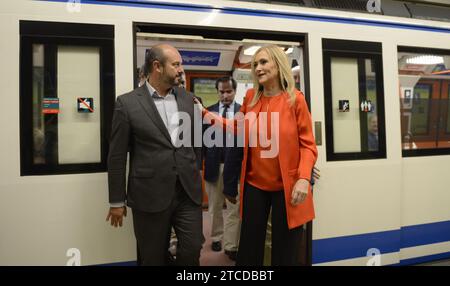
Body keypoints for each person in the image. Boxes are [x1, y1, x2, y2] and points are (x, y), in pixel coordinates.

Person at [195, 45, 318, 266]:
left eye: (263, 62)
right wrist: (205, 114)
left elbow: (308, 145)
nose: (258, 68)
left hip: (287, 188)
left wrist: (303, 178)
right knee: (249, 248)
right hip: (254, 186)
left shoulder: (295, 100)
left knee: (285, 248)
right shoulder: (251, 98)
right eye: (255, 65)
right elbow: (237, 127)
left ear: (278, 64)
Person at [106, 44, 203, 266]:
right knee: (152, 257)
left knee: (193, 248)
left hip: (187, 193)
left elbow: (197, 143)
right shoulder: (127, 103)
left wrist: (194, 169)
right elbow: (117, 156)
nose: (181, 69)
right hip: (148, 194)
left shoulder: (189, 99)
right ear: (157, 66)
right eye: (176, 64)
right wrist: (116, 200)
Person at [203, 76, 242, 261]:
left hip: (236, 168)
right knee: (215, 206)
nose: (225, 95)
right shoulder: (207, 113)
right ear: (217, 92)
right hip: (213, 166)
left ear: (235, 91)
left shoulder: (244, 112)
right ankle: (217, 237)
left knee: (234, 207)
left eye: (229, 91)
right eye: (222, 92)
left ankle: (231, 244)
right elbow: (201, 141)